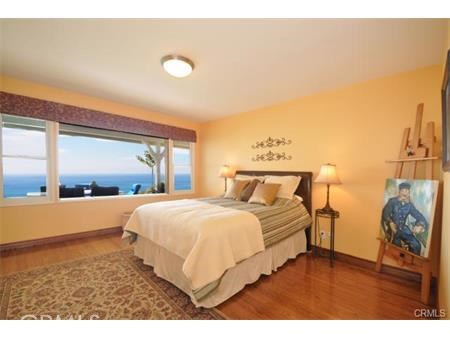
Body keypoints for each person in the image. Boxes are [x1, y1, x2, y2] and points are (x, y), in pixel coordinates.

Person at [381, 182, 428, 255]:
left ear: (409, 193)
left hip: (404, 229)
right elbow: (385, 213)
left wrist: (420, 225)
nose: (405, 193)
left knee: (416, 246)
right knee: (397, 247)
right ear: (399, 192)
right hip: (393, 229)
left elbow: (419, 215)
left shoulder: (409, 205)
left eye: (407, 191)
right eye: (403, 191)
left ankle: (412, 263)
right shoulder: (392, 201)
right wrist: (390, 222)